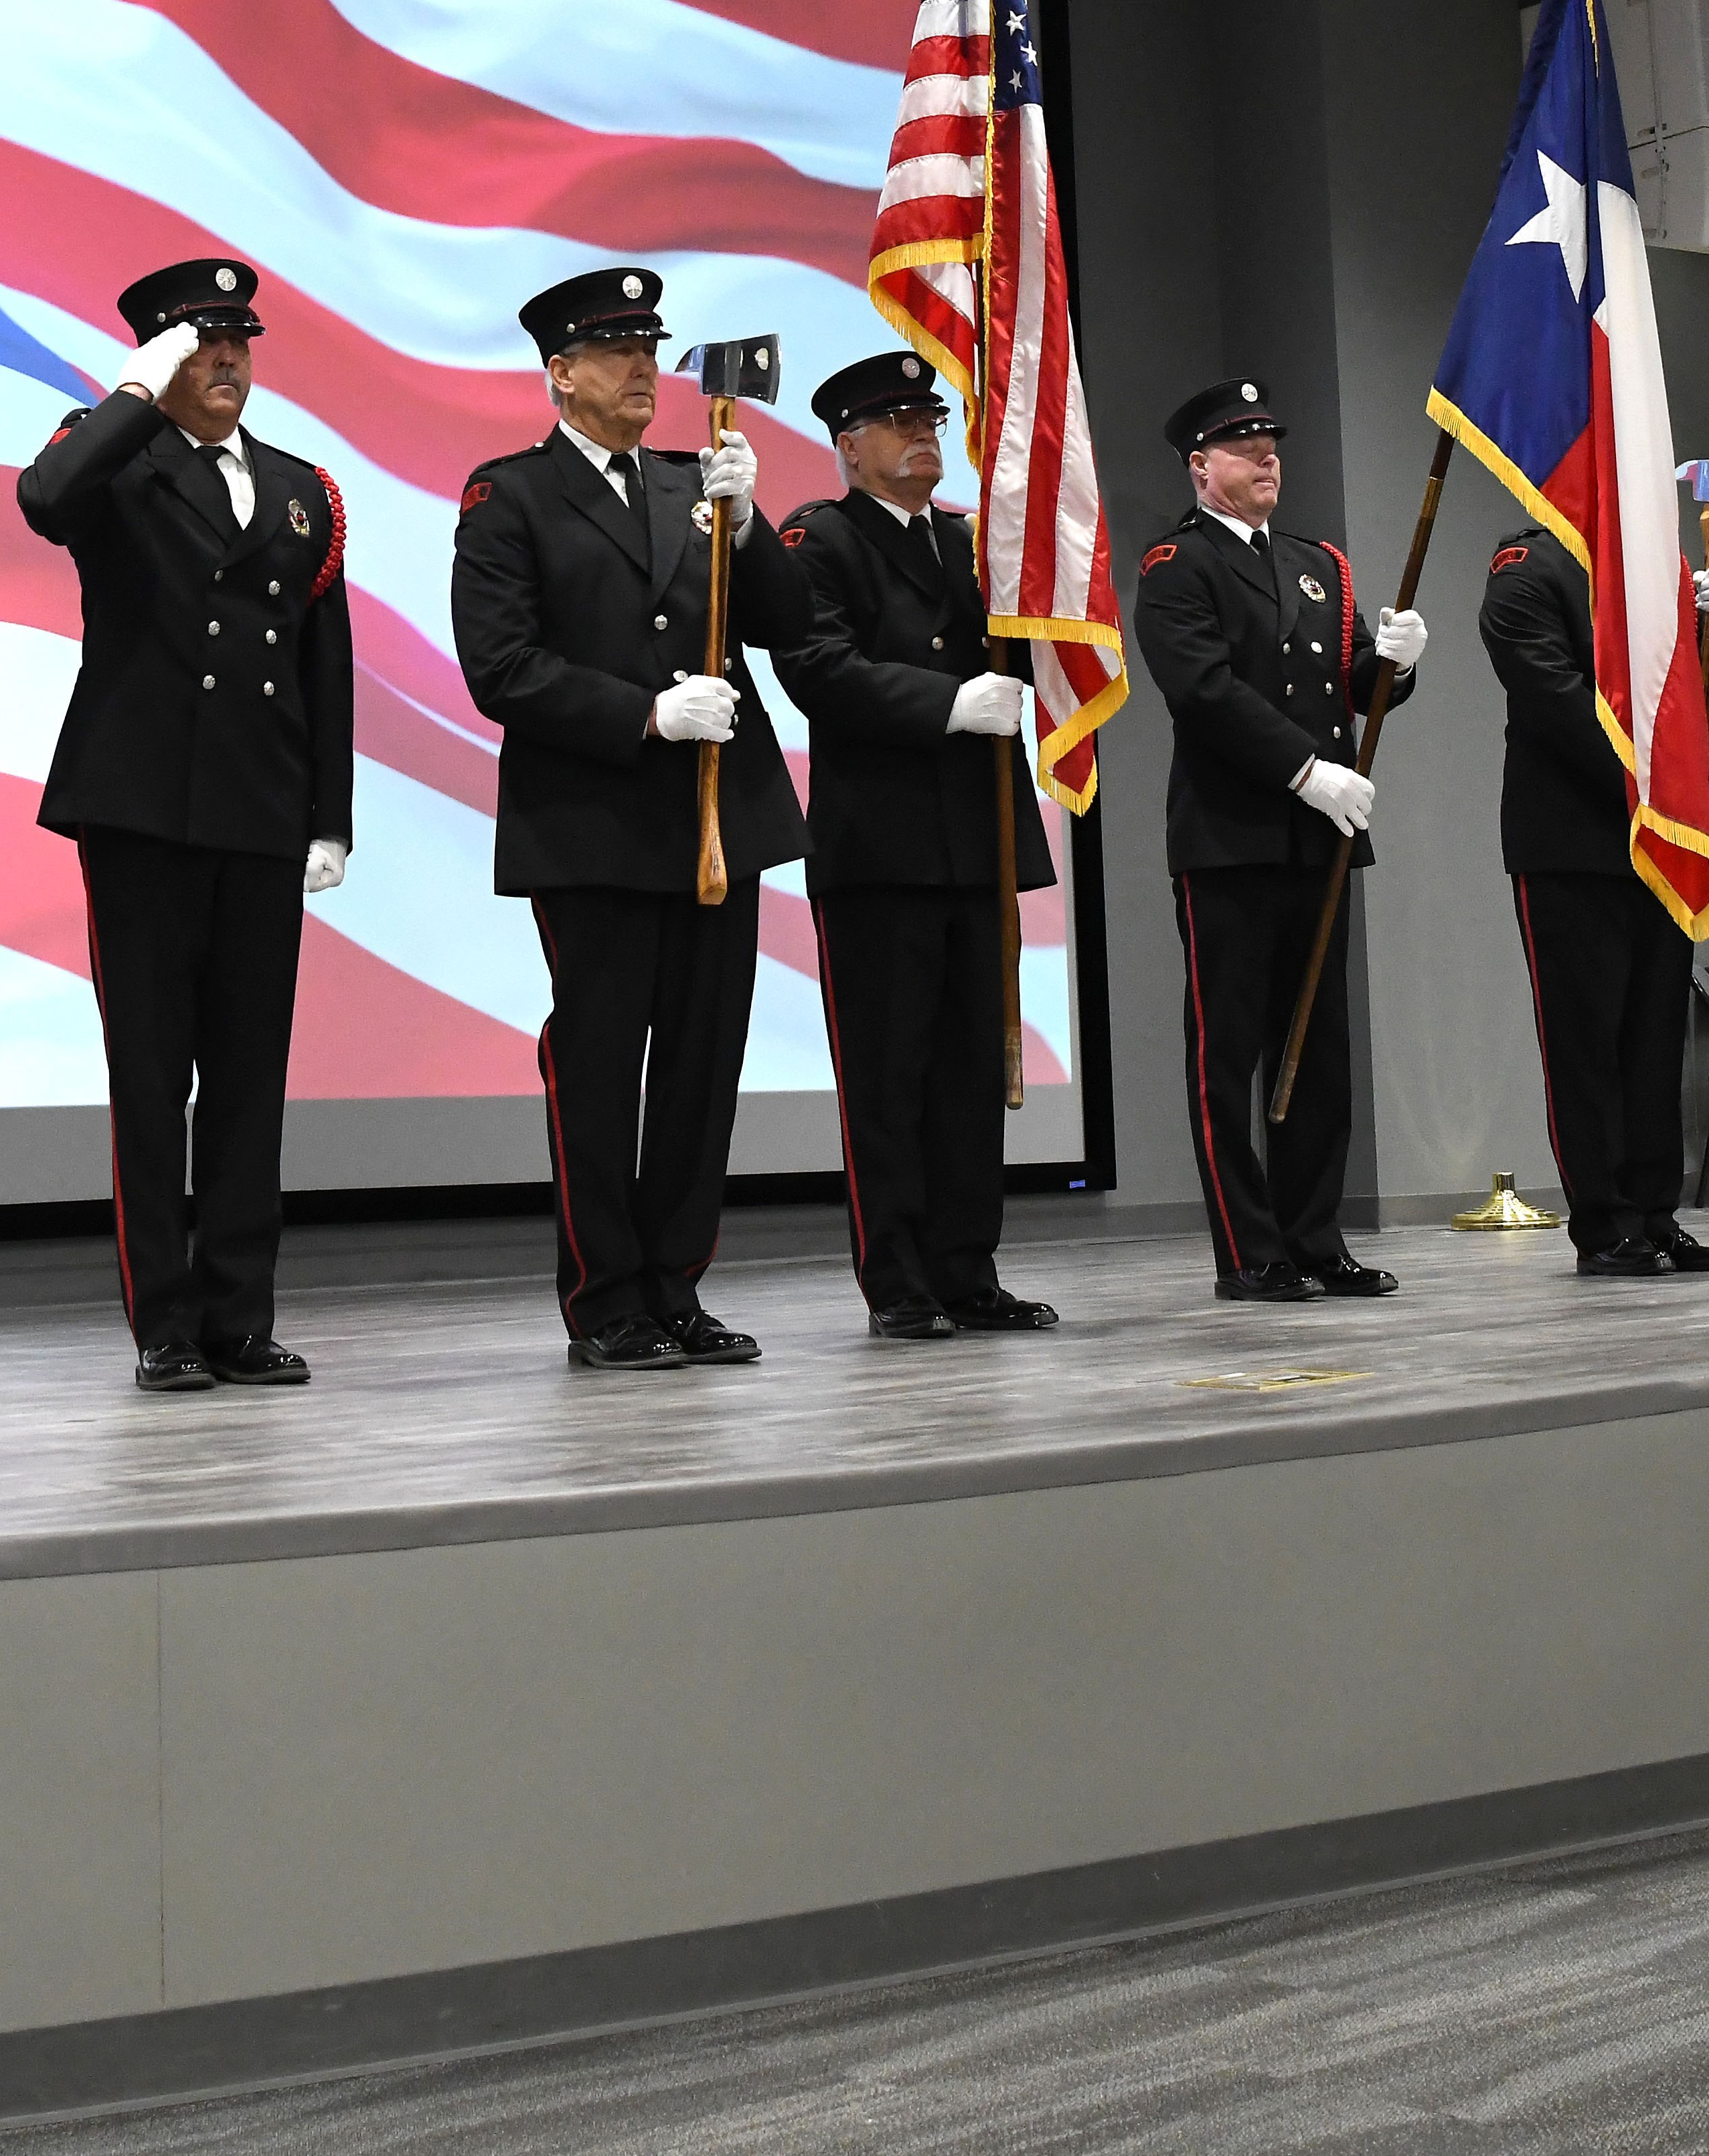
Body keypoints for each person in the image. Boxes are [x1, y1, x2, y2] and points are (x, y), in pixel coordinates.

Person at [451, 267, 813, 1372]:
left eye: (650, 351)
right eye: (616, 353)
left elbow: (787, 622)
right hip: (594, 820)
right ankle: (606, 1297)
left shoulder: (693, 482)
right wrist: (644, 714)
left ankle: (675, 1286)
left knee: (702, 1068)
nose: (642, 371)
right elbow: (501, 667)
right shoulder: (509, 496)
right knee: (602, 1068)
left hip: (715, 820)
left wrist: (748, 529)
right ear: (560, 374)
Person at [19, 258, 355, 1394]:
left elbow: (323, 664)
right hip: (144, 810)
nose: (226, 362)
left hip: (259, 810)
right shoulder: (114, 457)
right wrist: (130, 393)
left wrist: (330, 817)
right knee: (155, 1077)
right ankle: (164, 1321)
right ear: (158, 356)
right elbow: (45, 500)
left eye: (238, 344)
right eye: (200, 344)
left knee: (251, 1079)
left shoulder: (303, 488)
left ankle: (239, 1317)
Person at [768, 349, 1063, 1341]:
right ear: (848, 447)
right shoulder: (820, 538)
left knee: (971, 1072)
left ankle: (966, 1269)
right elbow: (815, 664)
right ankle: (897, 1279)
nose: (923, 435)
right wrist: (944, 701)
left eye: (930, 419)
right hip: (881, 848)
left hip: (975, 840)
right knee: (888, 1076)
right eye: (897, 422)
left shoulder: (973, 541)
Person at [1133, 378, 1423, 1302]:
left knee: (1319, 1048)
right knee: (1228, 1056)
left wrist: (1392, 664)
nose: (1266, 458)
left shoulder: (1316, 562)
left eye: (1271, 444)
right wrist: (1305, 771)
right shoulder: (1176, 564)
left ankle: (1314, 1237)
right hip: (1230, 837)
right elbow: (1204, 692)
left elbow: (1345, 684)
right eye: (1243, 445)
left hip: (1317, 838)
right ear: (1199, 465)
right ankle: (1248, 1249)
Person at [1484, 521, 1709, 1274]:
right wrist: (1656, 780)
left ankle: (1656, 1215)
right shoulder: (1527, 566)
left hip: (1664, 843)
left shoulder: (1653, 559)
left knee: (1654, 1043)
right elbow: (1552, 696)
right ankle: (1604, 1223)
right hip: (1574, 841)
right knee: (1586, 1046)